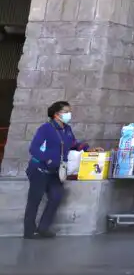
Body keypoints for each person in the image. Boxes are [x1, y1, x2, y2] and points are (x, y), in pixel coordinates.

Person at [24, 101, 97, 239]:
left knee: (56, 196)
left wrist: (87, 148)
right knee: (35, 200)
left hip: (55, 172)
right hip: (40, 170)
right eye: (66, 111)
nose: (69, 114)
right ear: (56, 115)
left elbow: (73, 144)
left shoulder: (67, 129)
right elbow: (34, 149)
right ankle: (29, 231)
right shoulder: (45, 129)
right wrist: (48, 159)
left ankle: (43, 228)